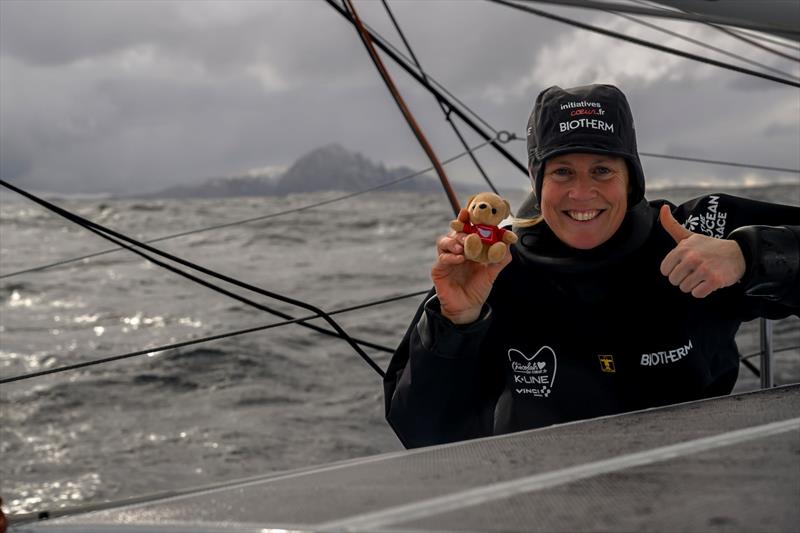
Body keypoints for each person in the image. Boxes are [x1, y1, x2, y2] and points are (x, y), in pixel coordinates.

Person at [384, 84, 800, 449]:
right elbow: (421, 432)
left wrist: (749, 256)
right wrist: (455, 321)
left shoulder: (698, 235)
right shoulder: (496, 266)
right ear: (537, 179)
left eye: (602, 169)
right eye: (562, 171)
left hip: (697, 485)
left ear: (631, 178)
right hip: (546, 495)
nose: (582, 192)